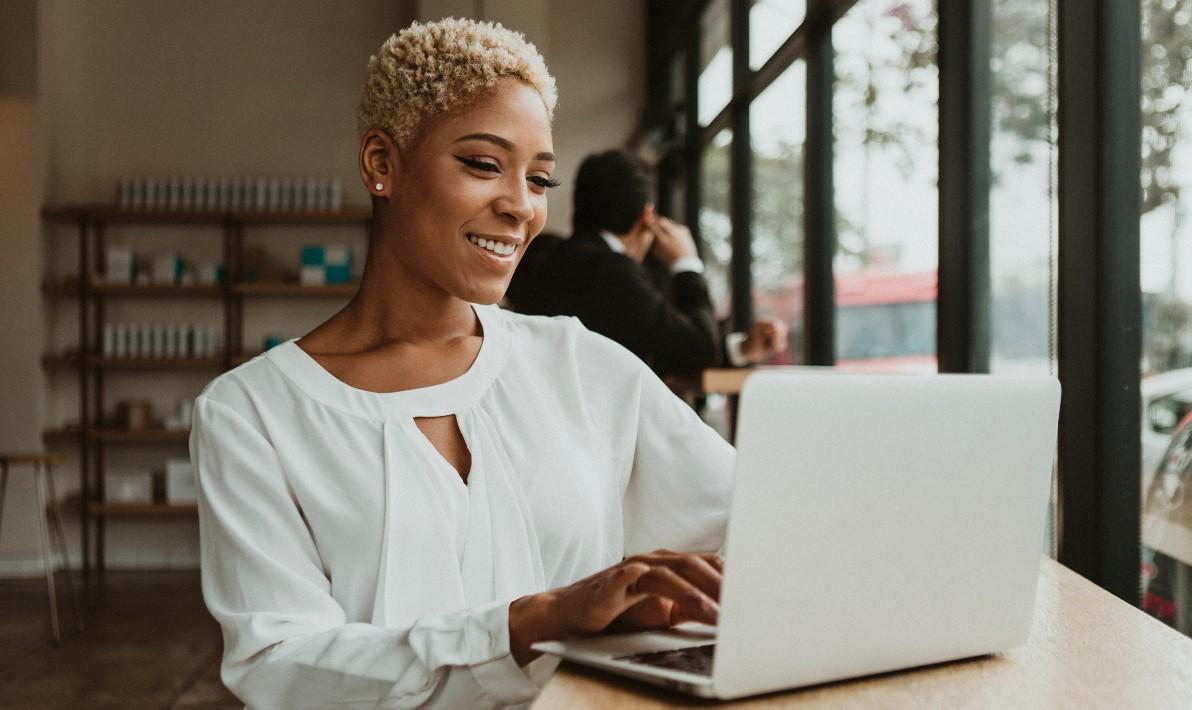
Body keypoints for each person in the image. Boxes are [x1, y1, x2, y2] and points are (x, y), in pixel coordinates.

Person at [190, 18, 734, 710]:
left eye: (539, 178)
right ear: (381, 165)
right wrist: (528, 624)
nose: (520, 206)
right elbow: (282, 666)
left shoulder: (584, 366)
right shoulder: (252, 414)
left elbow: (763, 524)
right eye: (483, 164)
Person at [506, 149, 787, 378]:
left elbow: (660, 344)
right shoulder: (611, 270)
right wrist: (686, 264)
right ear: (647, 215)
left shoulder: (547, 260)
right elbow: (698, 348)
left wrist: (741, 348)